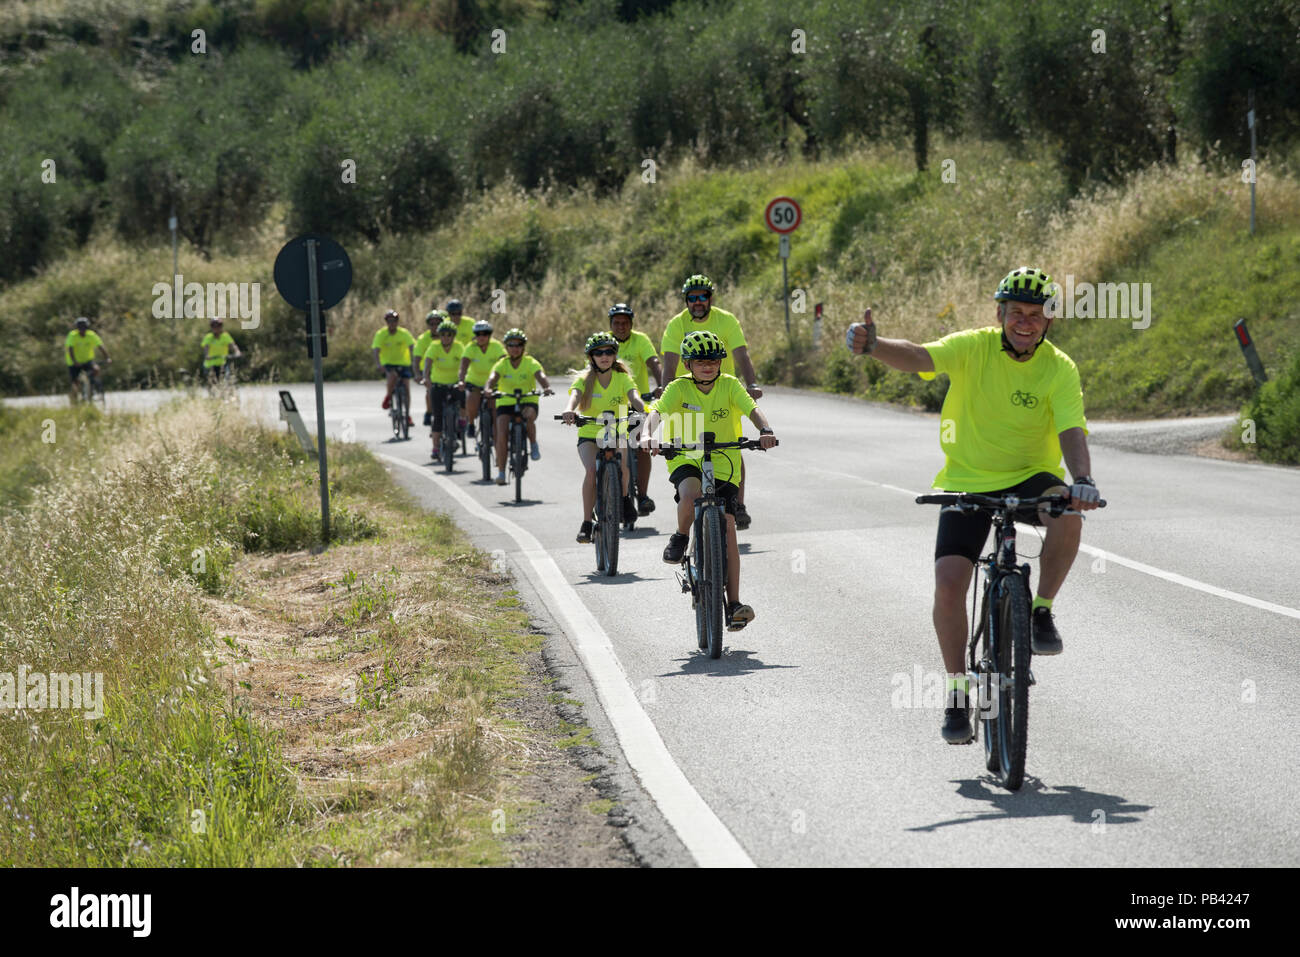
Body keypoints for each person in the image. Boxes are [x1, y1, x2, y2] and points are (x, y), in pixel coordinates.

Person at [846, 266, 1102, 745]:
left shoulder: (1059, 368)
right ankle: (958, 692)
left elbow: (1072, 429)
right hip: (965, 481)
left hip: (1030, 479)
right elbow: (922, 356)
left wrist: (1083, 478)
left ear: (1048, 322)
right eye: (1016, 313)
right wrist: (875, 345)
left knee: (1066, 508)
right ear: (1000, 314)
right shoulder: (973, 346)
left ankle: (1041, 610)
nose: (1025, 322)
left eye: (1036, 314)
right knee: (948, 584)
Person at [646, 330, 777, 631]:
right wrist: (646, 435)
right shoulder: (678, 388)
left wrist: (766, 430)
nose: (708, 366)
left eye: (714, 361)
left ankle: (734, 604)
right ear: (688, 364)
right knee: (690, 496)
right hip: (685, 456)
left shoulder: (730, 385)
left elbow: (752, 409)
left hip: (724, 461)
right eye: (700, 361)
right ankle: (681, 535)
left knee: (729, 525)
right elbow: (657, 413)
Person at [658, 275, 762, 530]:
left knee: (732, 447)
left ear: (710, 298)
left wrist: (751, 384)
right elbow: (669, 363)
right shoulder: (676, 324)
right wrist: (666, 391)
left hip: (723, 394)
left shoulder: (726, 320)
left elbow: (741, 355)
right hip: (687, 399)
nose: (697, 302)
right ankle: (687, 525)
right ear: (686, 301)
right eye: (692, 298)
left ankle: (738, 503)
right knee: (693, 456)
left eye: (702, 296)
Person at [560, 332, 646, 543]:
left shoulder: (622, 378)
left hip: (617, 431)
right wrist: (569, 410)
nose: (604, 356)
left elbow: (634, 397)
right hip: (590, 433)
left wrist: (645, 410)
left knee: (623, 466)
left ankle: (625, 500)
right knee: (591, 471)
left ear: (615, 355)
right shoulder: (584, 379)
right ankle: (587, 522)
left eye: (609, 351)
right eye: (598, 353)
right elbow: (575, 396)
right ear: (591, 357)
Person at [607, 302, 662, 516]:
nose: (621, 326)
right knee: (609, 446)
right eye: (617, 323)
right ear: (610, 324)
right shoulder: (605, 342)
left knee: (641, 446)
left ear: (631, 324)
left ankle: (643, 495)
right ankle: (608, 486)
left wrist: (662, 385)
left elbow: (654, 362)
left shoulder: (641, 340)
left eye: (625, 323)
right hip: (610, 405)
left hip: (638, 400)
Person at [484, 328, 553, 486]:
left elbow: (540, 376)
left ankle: (533, 444)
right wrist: (488, 388)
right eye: (511, 345)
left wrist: (546, 387)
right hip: (506, 401)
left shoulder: (530, 362)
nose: (515, 348)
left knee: (528, 416)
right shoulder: (502, 364)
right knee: (501, 431)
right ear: (506, 347)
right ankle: (501, 472)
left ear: (523, 347)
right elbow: (492, 378)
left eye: (518, 344)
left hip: (527, 399)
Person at [423, 319, 465, 460]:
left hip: (454, 384)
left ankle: (462, 420)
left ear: (453, 335)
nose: (446, 337)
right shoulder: (434, 347)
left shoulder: (459, 347)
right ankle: (435, 448)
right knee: (438, 418)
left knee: (464, 395)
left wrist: (462, 380)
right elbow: (427, 364)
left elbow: (462, 366)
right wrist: (426, 379)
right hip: (438, 385)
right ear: (439, 335)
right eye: (443, 334)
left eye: (449, 334)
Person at [457, 320, 507, 439]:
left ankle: (496, 435)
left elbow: (505, 363)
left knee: (495, 411)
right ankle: (471, 424)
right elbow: (463, 366)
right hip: (475, 382)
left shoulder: (497, 346)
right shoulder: (470, 347)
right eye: (478, 334)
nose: (481, 337)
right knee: (471, 399)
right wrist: (461, 380)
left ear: (489, 335)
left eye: (485, 334)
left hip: (493, 385)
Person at [371, 309, 417, 427]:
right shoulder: (381, 334)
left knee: (406, 388)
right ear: (386, 322)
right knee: (392, 376)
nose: (392, 323)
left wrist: (414, 360)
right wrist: (378, 364)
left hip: (403, 363)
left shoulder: (404, 333)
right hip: (388, 363)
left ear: (397, 321)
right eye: (390, 321)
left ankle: (407, 414)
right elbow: (376, 350)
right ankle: (389, 396)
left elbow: (412, 346)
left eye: (394, 321)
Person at [65, 316, 111, 402]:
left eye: (84, 327)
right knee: (75, 383)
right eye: (80, 328)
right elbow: (70, 349)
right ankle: (74, 399)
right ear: (77, 328)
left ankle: (93, 386)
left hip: (88, 360)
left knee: (96, 369)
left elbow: (100, 346)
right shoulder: (72, 335)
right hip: (74, 362)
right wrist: (75, 362)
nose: (82, 329)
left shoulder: (91, 335)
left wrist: (107, 357)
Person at [413, 310, 442, 426]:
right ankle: (429, 412)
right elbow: (416, 358)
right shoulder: (423, 339)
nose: (435, 326)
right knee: (430, 390)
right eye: (432, 324)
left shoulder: (447, 336)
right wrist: (417, 374)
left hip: (445, 369)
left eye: (437, 323)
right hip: (428, 370)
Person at [200, 318, 242, 386]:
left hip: (223, 363)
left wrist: (237, 352)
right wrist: (207, 355)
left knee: (228, 379)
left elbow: (233, 345)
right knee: (213, 382)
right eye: (214, 326)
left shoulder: (225, 336)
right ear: (211, 327)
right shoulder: (208, 337)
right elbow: (206, 348)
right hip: (210, 364)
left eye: (218, 326)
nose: (216, 328)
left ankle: (229, 393)